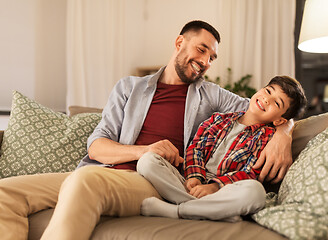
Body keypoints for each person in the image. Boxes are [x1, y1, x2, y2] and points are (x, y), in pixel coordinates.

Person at [0, 20, 293, 240]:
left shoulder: (212, 95)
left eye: (212, 58)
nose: (205, 61)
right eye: (201, 50)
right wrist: (145, 149)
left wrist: (285, 132)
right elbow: (97, 147)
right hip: (103, 170)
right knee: (5, 193)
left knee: (85, 181)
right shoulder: (129, 88)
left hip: (149, 180)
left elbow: (262, 109)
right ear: (179, 42)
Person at [137, 76, 307, 222]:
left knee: (255, 193)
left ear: (279, 121)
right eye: (268, 91)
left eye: (276, 103)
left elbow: (251, 173)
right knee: (147, 161)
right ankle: (214, 212)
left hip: (224, 191)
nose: (267, 99)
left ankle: (178, 211)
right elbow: (195, 148)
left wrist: (214, 187)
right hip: (190, 184)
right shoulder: (218, 120)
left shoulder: (267, 138)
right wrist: (194, 177)